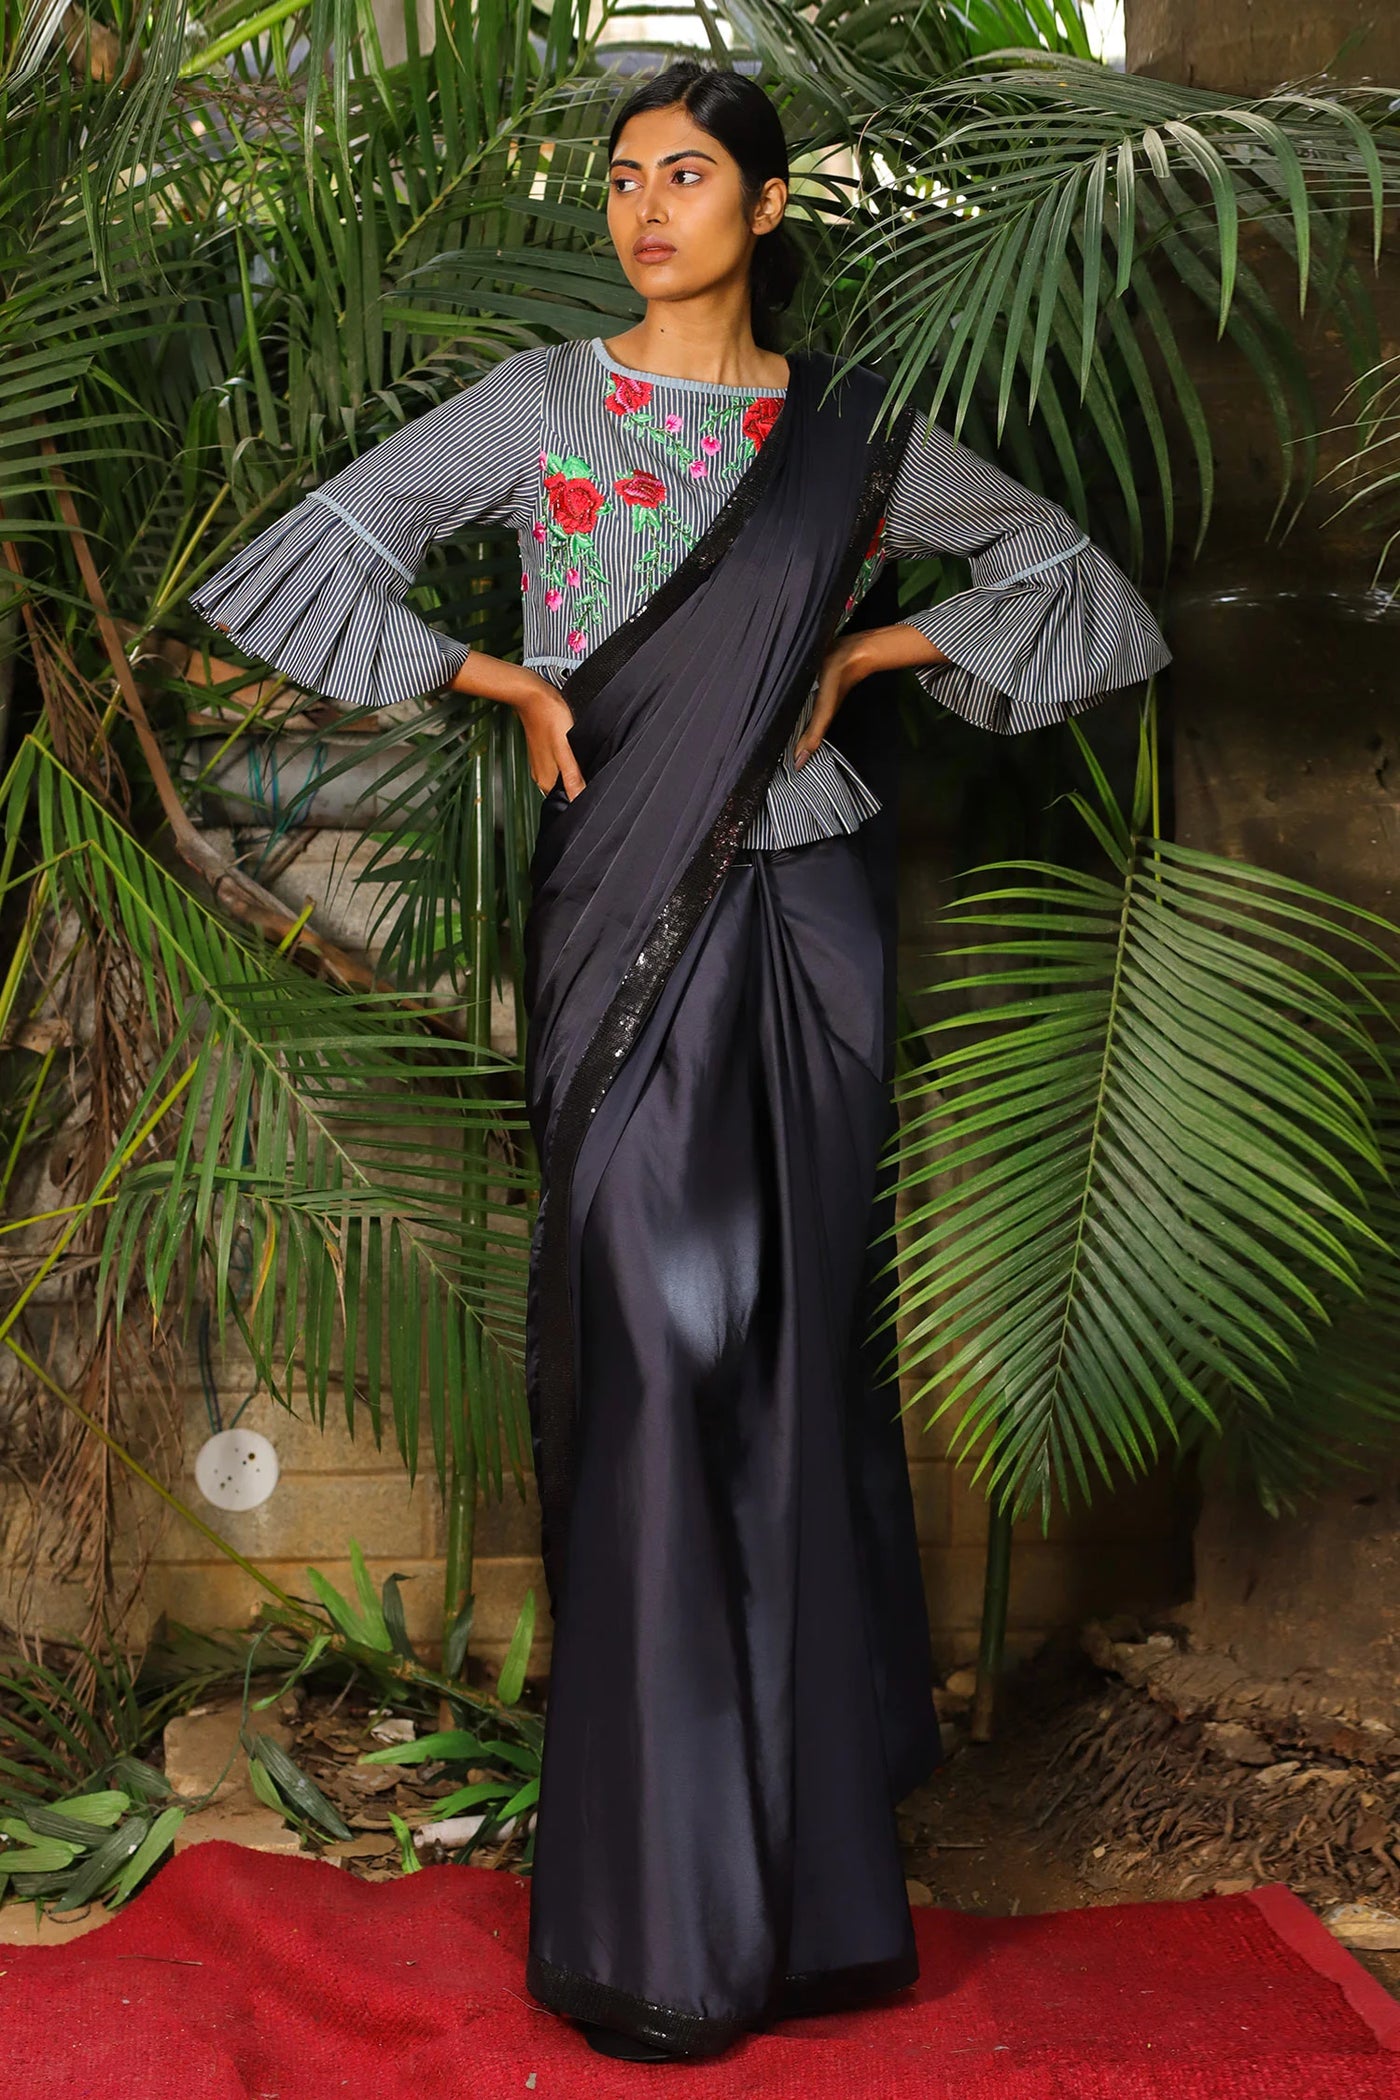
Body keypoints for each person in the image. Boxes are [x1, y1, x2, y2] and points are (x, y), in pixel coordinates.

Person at [188, 60, 1171, 2063]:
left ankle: (804, 1909)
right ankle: (656, 1917)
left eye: (689, 174)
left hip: (810, 919)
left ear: (768, 205)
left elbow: (1070, 583)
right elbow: (312, 554)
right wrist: (503, 679)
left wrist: (863, 652)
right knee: (650, 1354)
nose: (647, 207)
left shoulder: (853, 439)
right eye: (625, 177)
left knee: (785, 1364)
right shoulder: (545, 405)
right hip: (618, 911)